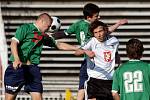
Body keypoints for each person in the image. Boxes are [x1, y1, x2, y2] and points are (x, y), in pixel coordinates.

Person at [51, 3, 127, 100]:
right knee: (87, 86)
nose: (99, 17)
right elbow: (107, 31)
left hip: (90, 61)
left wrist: (50, 36)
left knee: (82, 86)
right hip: (91, 61)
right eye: (96, 16)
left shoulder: (77, 24)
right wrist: (118, 24)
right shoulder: (94, 30)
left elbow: (64, 33)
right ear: (89, 17)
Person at [4, 13, 78, 100]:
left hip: (33, 69)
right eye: (48, 26)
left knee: (38, 98)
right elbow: (13, 43)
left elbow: (58, 44)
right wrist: (16, 58)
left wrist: (76, 48)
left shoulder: (43, 36)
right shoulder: (25, 28)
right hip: (18, 67)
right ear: (42, 21)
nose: (49, 29)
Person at [74, 20, 120, 100]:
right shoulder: (91, 42)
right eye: (95, 33)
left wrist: (118, 60)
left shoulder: (114, 41)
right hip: (94, 80)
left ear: (105, 30)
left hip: (109, 80)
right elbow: (76, 52)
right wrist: (85, 51)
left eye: (100, 31)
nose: (98, 35)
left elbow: (115, 53)